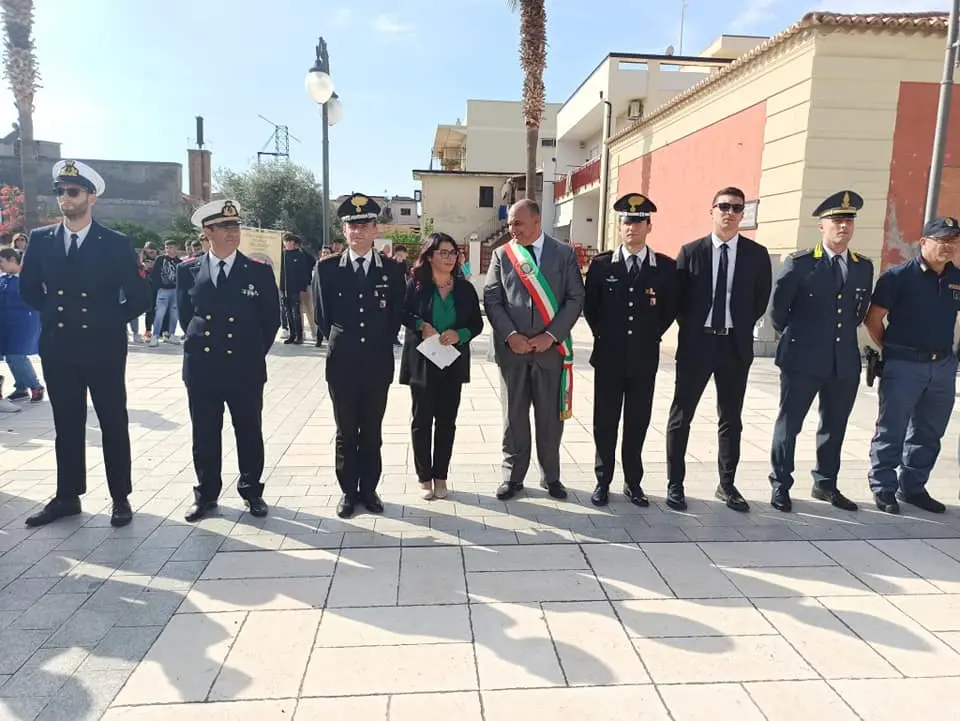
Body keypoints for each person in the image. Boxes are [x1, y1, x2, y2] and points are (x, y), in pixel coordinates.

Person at [19, 160, 150, 527]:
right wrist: (54, 314)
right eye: (60, 191)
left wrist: (108, 318)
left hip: (103, 345)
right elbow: (28, 288)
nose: (65, 198)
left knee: (112, 420)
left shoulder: (115, 243)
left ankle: (120, 496)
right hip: (59, 345)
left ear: (90, 198)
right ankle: (67, 496)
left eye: (72, 192)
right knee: (67, 422)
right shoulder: (41, 240)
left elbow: (141, 296)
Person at [665, 186, 772, 512]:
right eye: (723, 206)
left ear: (743, 215)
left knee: (731, 419)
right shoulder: (691, 252)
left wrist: (732, 327)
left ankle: (726, 484)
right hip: (698, 344)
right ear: (712, 211)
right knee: (681, 416)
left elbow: (758, 301)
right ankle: (675, 484)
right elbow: (678, 301)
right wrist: (697, 328)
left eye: (736, 208)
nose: (729, 212)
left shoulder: (756, 255)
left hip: (733, 346)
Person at [768, 191, 873, 513]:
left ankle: (825, 483)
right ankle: (781, 484)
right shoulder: (801, 264)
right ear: (822, 226)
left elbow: (858, 311)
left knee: (835, 424)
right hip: (803, 358)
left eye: (848, 221)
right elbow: (778, 313)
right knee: (790, 423)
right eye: (837, 221)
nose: (843, 226)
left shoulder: (862, 267)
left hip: (843, 360)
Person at [176, 199, 280, 522]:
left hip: (244, 368)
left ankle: (252, 490)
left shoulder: (258, 272)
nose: (234, 233)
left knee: (248, 430)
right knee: (205, 432)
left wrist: (250, 354)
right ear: (208, 232)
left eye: (236, 226)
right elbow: (185, 316)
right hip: (202, 367)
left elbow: (270, 321)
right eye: (226, 227)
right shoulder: (188, 269)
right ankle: (206, 494)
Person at [484, 199, 585, 501]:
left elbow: (575, 298)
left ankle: (551, 476)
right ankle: (512, 476)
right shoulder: (503, 255)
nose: (512, 230)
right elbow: (492, 298)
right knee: (513, 417)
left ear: (537, 222)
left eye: (518, 223)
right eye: (511, 224)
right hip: (512, 351)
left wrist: (551, 336)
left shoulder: (564, 254)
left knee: (550, 417)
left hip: (549, 352)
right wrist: (511, 335)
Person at [583, 193, 677, 507]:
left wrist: (645, 337)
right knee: (604, 422)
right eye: (626, 221)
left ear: (649, 226)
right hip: (608, 358)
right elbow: (591, 309)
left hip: (643, 359)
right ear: (618, 225)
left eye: (638, 222)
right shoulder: (600, 266)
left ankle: (633, 482)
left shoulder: (664, 268)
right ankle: (602, 480)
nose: (631, 228)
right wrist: (608, 338)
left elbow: (667, 313)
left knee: (637, 421)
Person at [316, 193, 406, 518]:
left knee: (371, 429)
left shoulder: (393, 271)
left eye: (364, 224)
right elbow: (323, 318)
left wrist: (376, 341)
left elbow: (396, 314)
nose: (358, 231)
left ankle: (369, 489)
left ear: (375, 228)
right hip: (342, 363)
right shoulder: (326, 269)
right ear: (343, 230)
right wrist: (347, 341)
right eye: (351, 226)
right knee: (345, 430)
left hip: (377, 362)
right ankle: (348, 492)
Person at [863, 216, 960, 515]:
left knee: (929, 432)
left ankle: (913, 487)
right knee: (891, 429)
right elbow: (873, 319)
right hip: (903, 365)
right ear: (923, 242)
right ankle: (884, 487)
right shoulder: (898, 277)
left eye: (953, 241)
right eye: (941, 240)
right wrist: (892, 349)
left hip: (942, 366)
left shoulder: (957, 278)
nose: (948, 247)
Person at [399, 233, 483, 500]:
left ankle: (441, 475)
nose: (449, 258)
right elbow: (401, 313)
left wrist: (461, 335)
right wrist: (420, 325)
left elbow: (476, 323)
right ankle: (424, 476)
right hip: (423, 362)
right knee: (422, 421)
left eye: (453, 252)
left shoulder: (465, 288)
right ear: (430, 256)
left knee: (447, 422)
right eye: (443, 252)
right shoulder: (416, 286)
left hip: (452, 363)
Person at [0, 247, 43, 403]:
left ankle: (35, 385)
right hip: (6, 322)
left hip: (24, 321)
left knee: (18, 355)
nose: (1, 266)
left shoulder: (27, 278)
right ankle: (21, 387)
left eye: (2, 262)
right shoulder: (4, 279)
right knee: (10, 357)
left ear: (12, 260)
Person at [279, 233, 315, 345]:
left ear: (294, 243)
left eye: (290, 241)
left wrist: (302, 288)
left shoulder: (299, 255)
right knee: (288, 313)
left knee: (296, 313)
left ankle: (299, 336)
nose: (288, 243)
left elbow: (303, 272)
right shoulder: (282, 255)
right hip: (284, 288)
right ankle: (292, 335)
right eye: (286, 241)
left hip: (295, 289)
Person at [148, 239, 181, 346]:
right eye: (167, 247)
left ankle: (171, 334)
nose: (168, 250)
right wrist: (158, 287)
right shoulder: (160, 259)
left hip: (175, 291)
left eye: (171, 247)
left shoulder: (179, 263)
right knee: (160, 313)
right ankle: (155, 336)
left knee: (174, 314)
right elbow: (155, 274)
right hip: (163, 291)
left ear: (176, 249)